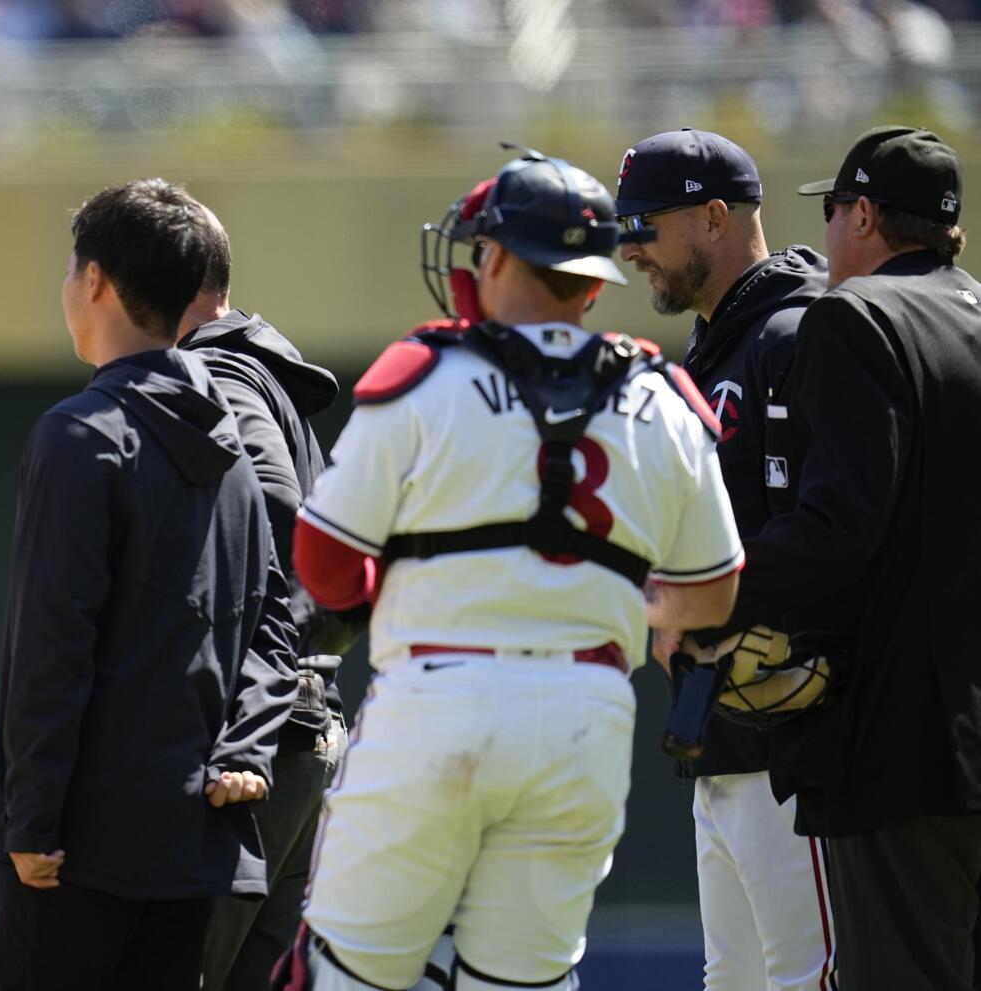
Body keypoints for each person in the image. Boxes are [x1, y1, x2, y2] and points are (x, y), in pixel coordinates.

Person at [279, 149, 745, 991]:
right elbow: (714, 593)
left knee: (347, 978)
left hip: (435, 699)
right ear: (595, 282)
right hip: (585, 716)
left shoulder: (425, 375)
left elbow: (322, 560)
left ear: (494, 258)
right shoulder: (663, 396)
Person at [681, 126, 979, 990]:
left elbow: (837, 526)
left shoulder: (852, 316)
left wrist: (713, 598)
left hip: (898, 747)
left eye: (836, 209)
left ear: (866, 215)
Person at [0, 177, 299, 990]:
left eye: (70, 269)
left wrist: (32, 817)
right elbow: (276, 619)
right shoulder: (231, 443)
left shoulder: (79, 433)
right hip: (198, 842)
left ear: (95, 280)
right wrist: (247, 748)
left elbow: (53, 641)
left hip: (75, 850)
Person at [615, 128, 839, 991]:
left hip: (794, 741)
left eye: (648, 226)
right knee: (734, 982)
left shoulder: (801, 331)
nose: (631, 250)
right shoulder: (708, 351)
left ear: (714, 217)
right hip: (717, 734)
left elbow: (835, 532)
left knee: (809, 978)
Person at [174, 201, 363, 991]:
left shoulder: (215, 368)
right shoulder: (252, 367)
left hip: (255, 751)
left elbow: (289, 527)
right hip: (295, 730)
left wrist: (247, 706)